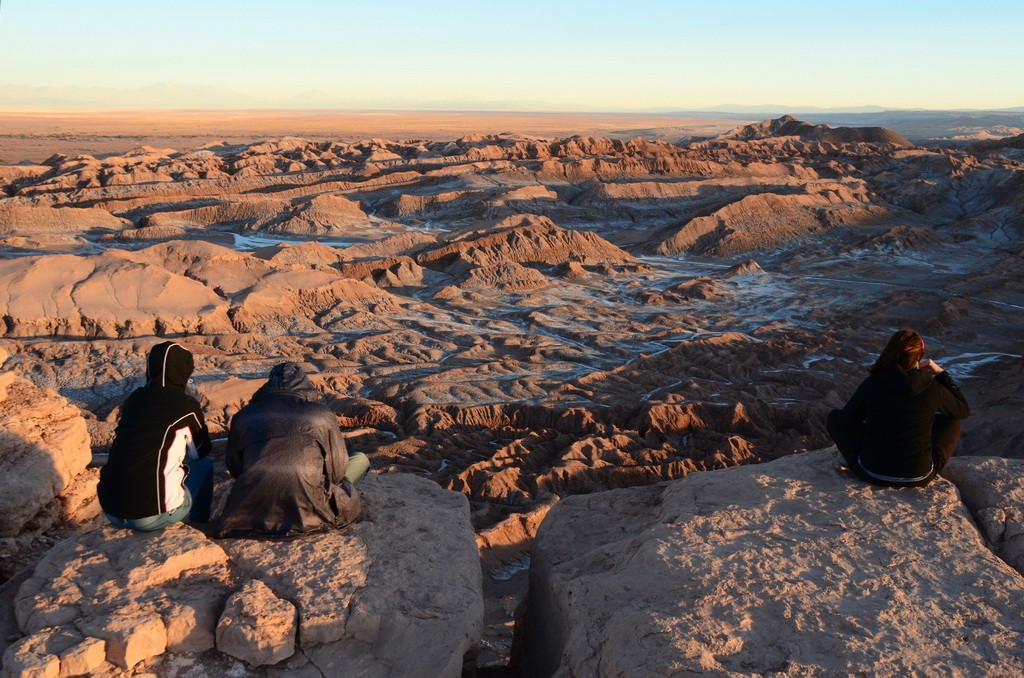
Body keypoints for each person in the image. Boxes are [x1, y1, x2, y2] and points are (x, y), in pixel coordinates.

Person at [216, 362, 370, 538]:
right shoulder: (321, 415)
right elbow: (337, 471)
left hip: (249, 506)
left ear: (269, 384)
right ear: (304, 383)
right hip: (310, 510)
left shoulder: (244, 416)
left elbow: (234, 465)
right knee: (360, 459)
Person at [827, 329, 970, 487]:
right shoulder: (932, 387)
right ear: (919, 356)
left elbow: (845, 423)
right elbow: (962, 410)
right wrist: (941, 374)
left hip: (872, 472)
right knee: (952, 421)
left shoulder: (873, 383)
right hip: (918, 476)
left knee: (834, 418)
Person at [98, 341, 213, 530]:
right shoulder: (185, 405)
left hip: (112, 512)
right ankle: (201, 524)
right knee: (205, 464)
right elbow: (199, 452)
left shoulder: (134, 399)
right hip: (151, 516)